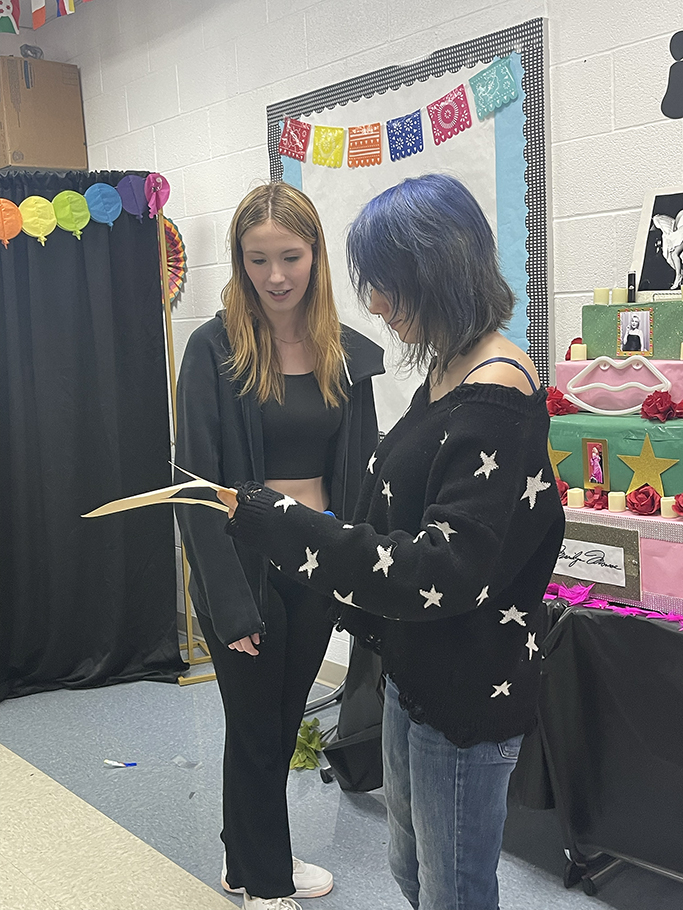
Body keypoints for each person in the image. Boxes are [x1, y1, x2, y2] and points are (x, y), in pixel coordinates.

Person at [218, 174, 566, 910]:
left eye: (386, 286)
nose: (374, 304)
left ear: (434, 274)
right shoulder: (444, 370)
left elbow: (438, 565)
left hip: (467, 681)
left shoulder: (495, 395)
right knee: (413, 872)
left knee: (453, 888)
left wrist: (279, 520)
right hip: (417, 670)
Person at [174, 182, 384, 910]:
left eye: (289, 256)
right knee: (262, 729)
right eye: (256, 259)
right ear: (239, 260)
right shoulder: (214, 349)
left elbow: (359, 470)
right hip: (246, 566)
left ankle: (245, 860)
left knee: (270, 721)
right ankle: (265, 884)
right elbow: (194, 486)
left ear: (315, 254)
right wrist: (229, 604)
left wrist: (359, 569)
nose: (274, 276)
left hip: (316, 562)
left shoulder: (344, 353)